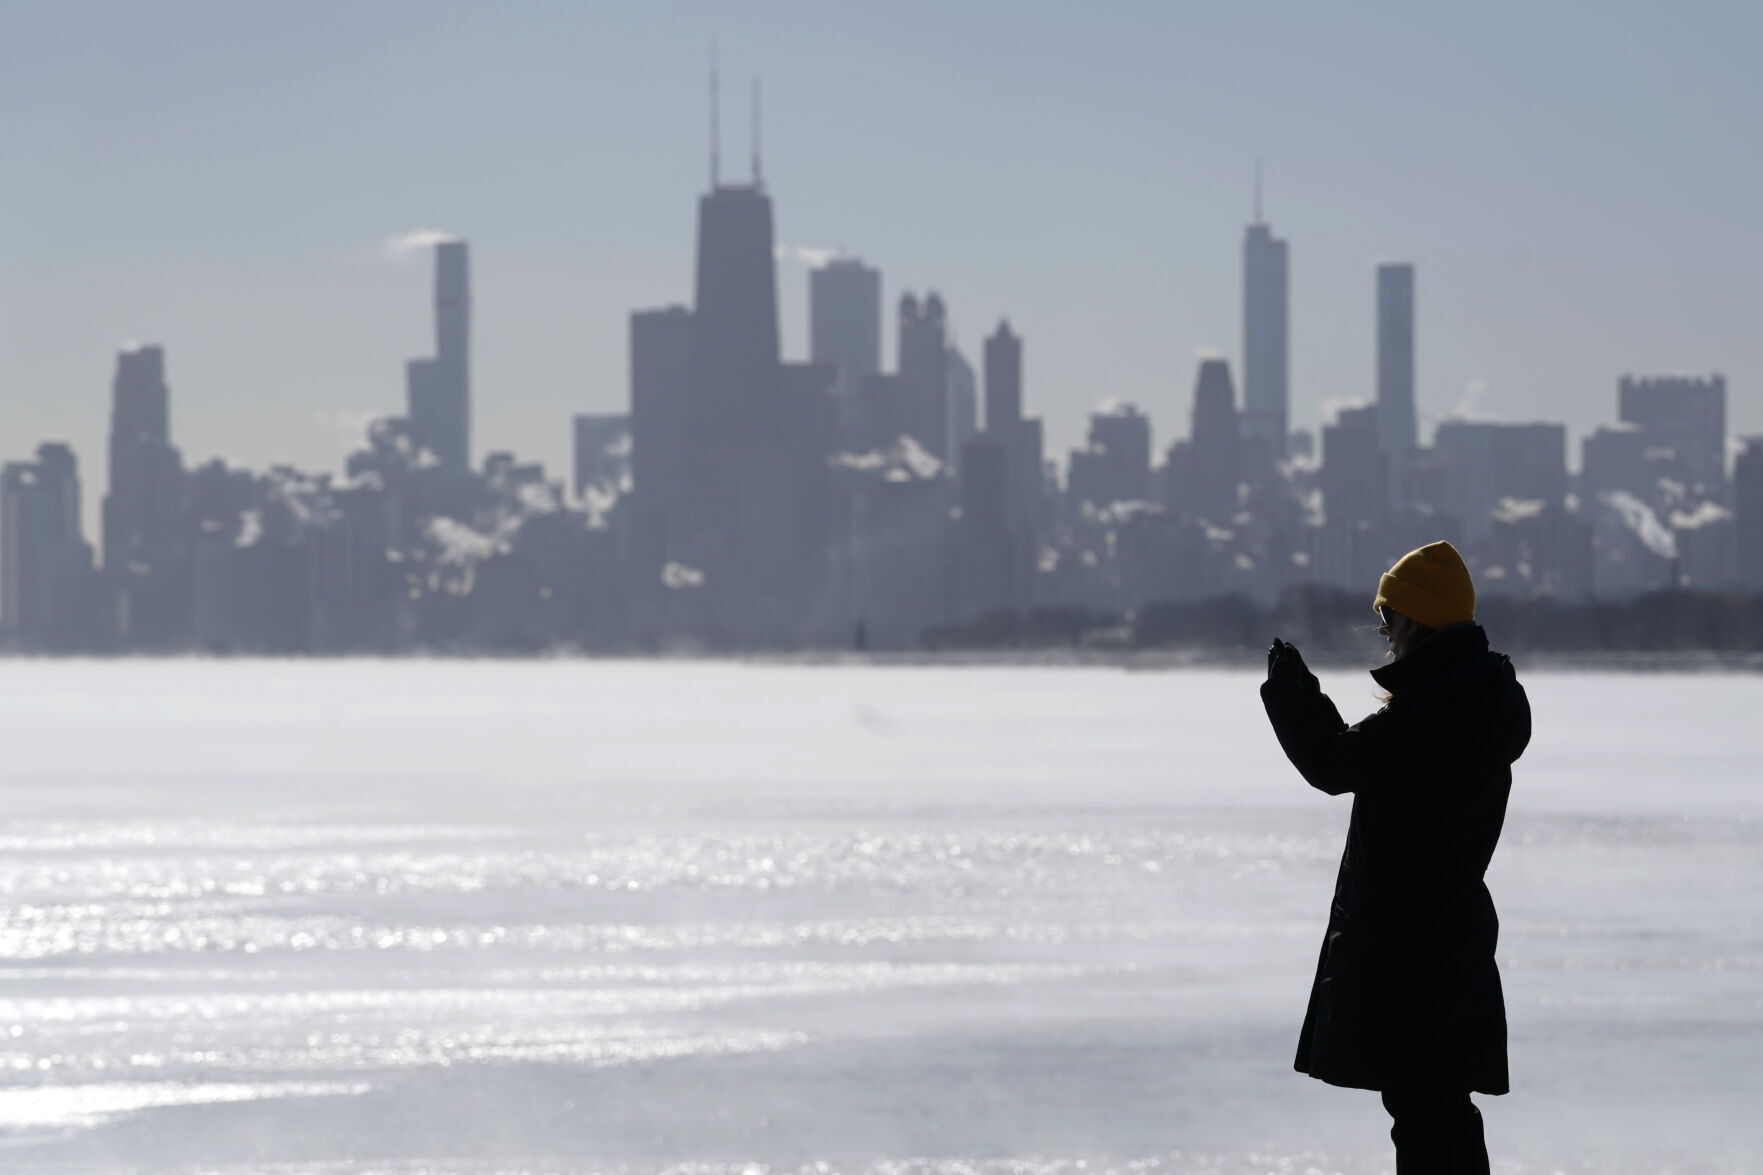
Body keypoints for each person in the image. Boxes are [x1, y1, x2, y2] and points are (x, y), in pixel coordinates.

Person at [1260, 541, 1531, 1175]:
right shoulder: (1474, 700)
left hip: (1408, 947)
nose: (1383, 627)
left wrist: (1291, 691)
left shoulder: (1430, 712)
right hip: (1450, 937)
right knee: (1440, 1104)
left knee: (1421, 1108)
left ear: (1416, 620)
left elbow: (1334, 763)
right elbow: (1355, 756)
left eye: (1389, 612)